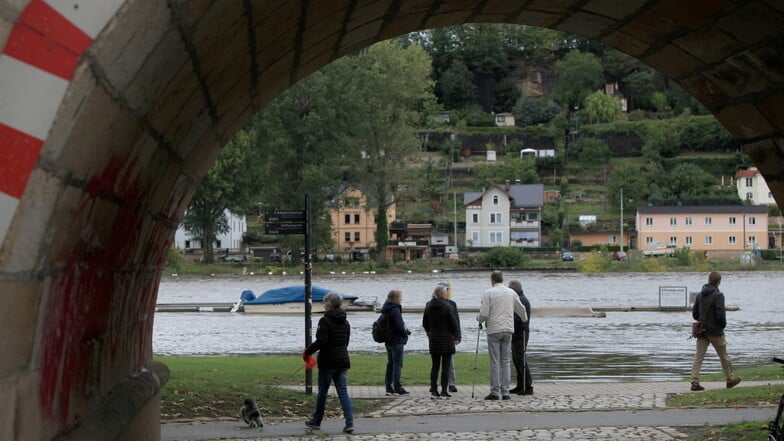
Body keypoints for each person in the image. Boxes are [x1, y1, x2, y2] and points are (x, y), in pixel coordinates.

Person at [303, 292, 354, 434]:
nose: (324, 306)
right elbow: (346, 342)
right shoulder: (345, 322)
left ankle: (317, 420)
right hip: (342, 360)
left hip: (327, 362)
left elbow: (321, 341)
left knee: (322, 393)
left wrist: (308, 352)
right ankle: (349, 422)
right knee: (343, 392)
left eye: (325, 303)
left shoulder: (324, 321)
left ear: (329, 305)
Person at [476, 270, 527, 400]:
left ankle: (494, 392)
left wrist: (479, 319)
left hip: (494, 329)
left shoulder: (489, 293)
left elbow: (485, 314)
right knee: (505, 361)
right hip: (508, 329)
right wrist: (524, 319)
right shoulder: (511, 293)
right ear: (502, 279)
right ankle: (505, 392)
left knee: (494, 362)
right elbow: (521, 308)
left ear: (492, 280)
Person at [690, 271, 742, 391]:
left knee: (699, 356)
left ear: (708, 280)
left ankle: (694, 382)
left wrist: (702, 320)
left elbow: (695, 314)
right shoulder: (718, 295)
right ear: (719, 282)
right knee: (723, 356)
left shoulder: (700, 295)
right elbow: (720, 314)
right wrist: (722, 326)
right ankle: (730, 379)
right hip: (715, 331)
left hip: (702, 331)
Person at [423, 284, 459, 398]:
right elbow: (454, 324)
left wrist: (430, 332)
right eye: (445, 292)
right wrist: (453, 333)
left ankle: (434, 389)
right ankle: (444, 390)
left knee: (435, 365)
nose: (447, 294)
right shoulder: (447, 306)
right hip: (446, 339)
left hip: (434, 339)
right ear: (442, 294)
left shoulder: (428, 306)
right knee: (445, 366)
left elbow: (425, 323)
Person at [381, 289, 410, 395]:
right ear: (396, 298)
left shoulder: (386, 309)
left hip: (388, 340)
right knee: (398, 363)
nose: (402, 299)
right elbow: (399, 325)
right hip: (396, 340)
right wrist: (405, 334)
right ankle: (397, 386)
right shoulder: (395, 310)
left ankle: (388, 386)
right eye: (400, 297)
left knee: (390, 363)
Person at [508, 279, 533, 395]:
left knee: (520, 359)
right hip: (517, 334)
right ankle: (520, 384)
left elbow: (520, 319)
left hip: (521, 334)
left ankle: (527, 386)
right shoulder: (519, 299)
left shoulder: (521, 300)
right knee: (516, 359)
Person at [438, 281, 462, 393]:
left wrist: (458, 336)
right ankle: (437, 383)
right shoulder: (431, 304)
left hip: (449, 336)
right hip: (437, 336)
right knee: (436, 361)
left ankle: (451, 383)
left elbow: (456, 321)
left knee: (450, 361)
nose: (446, 292)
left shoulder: (452, 304)